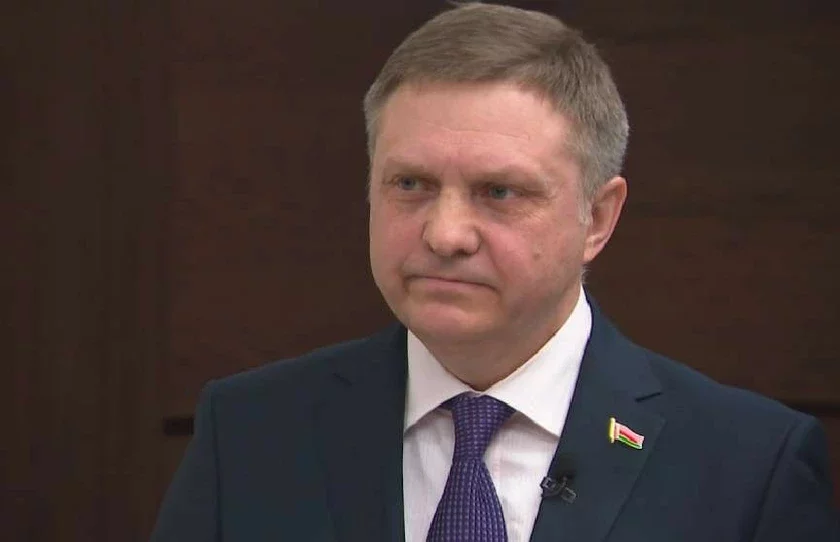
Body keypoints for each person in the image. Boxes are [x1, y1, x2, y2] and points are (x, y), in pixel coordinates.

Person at [150, 3, 839, 541]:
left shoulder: (749, 467)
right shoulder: (252, 434)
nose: (445, 234)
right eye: (411, 184)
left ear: (597, 219)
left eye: (499, 192)